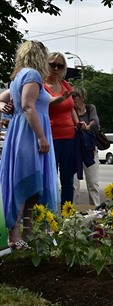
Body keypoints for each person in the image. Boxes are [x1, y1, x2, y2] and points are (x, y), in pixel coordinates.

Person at [0, 40, 59, 249]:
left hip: (20, 133)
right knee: (26, 184)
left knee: (32, 186)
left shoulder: (19, 76)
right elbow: (27, 106)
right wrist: (42, 137)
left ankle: (26, 234)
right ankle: (16, 236)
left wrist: (4, 106)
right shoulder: (32, 75)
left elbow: (3, 99)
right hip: (29, 135)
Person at [44, 52, 83, 206]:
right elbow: (44, 104)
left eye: (60, 66)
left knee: (67, 180)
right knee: (50, 179)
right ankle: (49, 216)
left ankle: (67, 216)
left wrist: (77, 123)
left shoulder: (66, 85)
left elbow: (71, 108)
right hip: (51, 138)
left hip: (70, 137)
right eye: (52, 64)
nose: (56, 68)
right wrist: (59, 99)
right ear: (45, 64)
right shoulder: (41, 86)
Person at [72, 86, 101, 206]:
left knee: (93, 184)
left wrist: (87, 127)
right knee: (73, 186)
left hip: (89, 151)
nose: (72, 99)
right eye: (71, 96)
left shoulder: (90, 108)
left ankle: (95, 214)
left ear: (82, 97)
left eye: (74, 96)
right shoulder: (70, 110)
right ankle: (72, 216)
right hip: (74, 151)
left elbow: (95, 123)